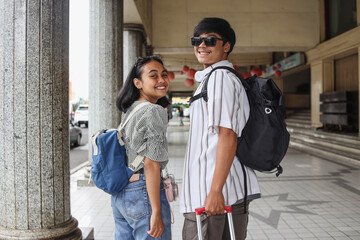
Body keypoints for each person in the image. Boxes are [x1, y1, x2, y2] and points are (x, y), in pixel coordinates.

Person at [180, 18, 261, 240]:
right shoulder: (214, 78)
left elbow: (228, 135)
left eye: (210, 40)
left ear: (226, 46)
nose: (202, 45)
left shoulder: (220, 78)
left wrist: (215, 191)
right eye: (197, 40)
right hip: (218, 193)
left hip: (213, 195)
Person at [115, 56, 172, 240]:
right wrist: (155, 210)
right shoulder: (152, 110)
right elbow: (151, 164)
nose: (162, 80)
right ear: (138, 83)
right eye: (153, 76)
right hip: (143, 192)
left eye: (164, 75)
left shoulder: (130, 109)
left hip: (122, 194)